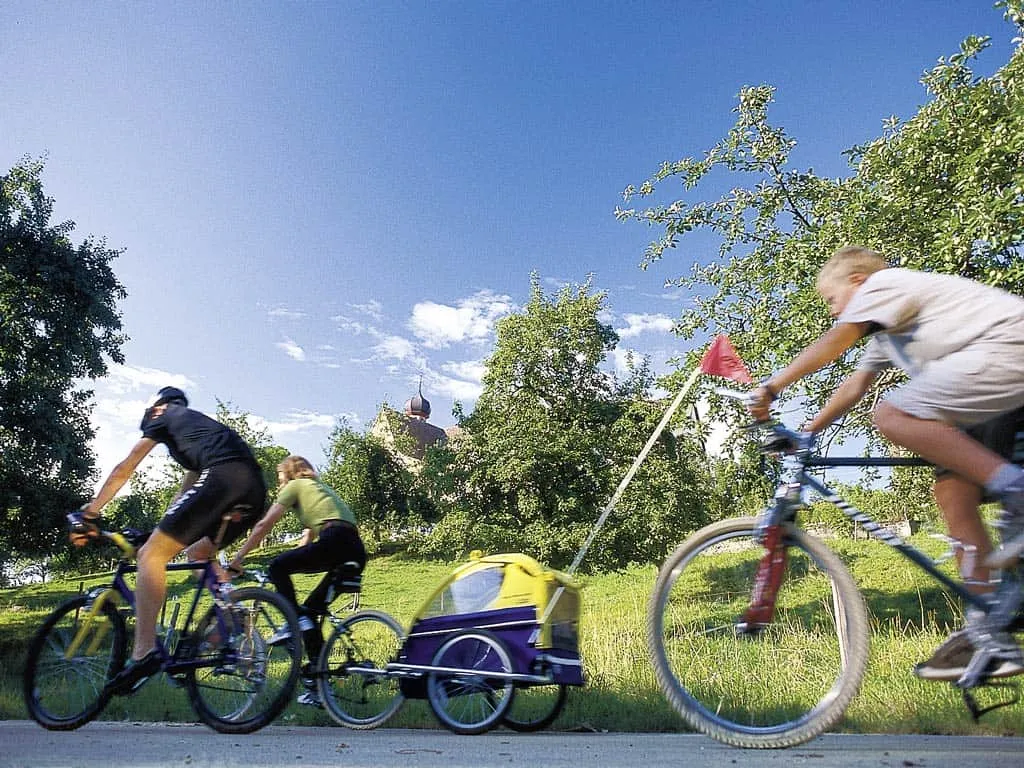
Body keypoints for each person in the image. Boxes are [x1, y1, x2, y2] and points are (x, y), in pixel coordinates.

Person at [747, 245, 1024, 682]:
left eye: (831, 299)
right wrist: (808, 432)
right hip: (994, 381)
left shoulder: (884, 285)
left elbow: (835, 341)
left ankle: (1018, 494)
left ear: (857, 281)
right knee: (952, 492)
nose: (832, 310)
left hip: (1007, 349)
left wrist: (772, 387)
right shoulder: (886, 334)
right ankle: (989, 631)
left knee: (892, 415)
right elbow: (854, 385)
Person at [68, 386, 267, 695]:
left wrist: (91, 513)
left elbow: (126, 467)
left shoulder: (164, 415)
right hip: (253, 489)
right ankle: (231, 616)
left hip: (222, 478)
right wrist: (156, 533)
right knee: (197, 552)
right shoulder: (196, 435)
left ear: (155, 407)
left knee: (150, 557)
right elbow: (184, 499)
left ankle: (143, 652)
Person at [227, 455, 366, 707]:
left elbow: (263, 526)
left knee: (277, 566)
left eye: (281, 479)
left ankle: (290, 624)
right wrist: (298, 558)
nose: (280, 485)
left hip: (334, 542)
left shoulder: (295, 486)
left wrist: (237, 559)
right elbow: (306, 543)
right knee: (310, 615)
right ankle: (320, 685)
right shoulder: (319, 491)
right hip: (354, 550)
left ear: (291, 474)